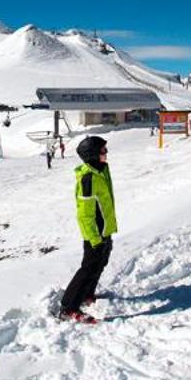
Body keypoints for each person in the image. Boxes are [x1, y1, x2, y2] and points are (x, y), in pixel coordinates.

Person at [58, 135, 117, 323]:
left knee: (100, 263)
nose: (106, 153)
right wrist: (94, 238)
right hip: (94, 233)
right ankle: (68, 308)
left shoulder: (101, 171)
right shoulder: (88, 179)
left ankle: (87, 294)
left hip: (104, 229)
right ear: (92, 154)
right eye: (102, 151)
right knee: (88, 268)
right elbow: (84, 214)